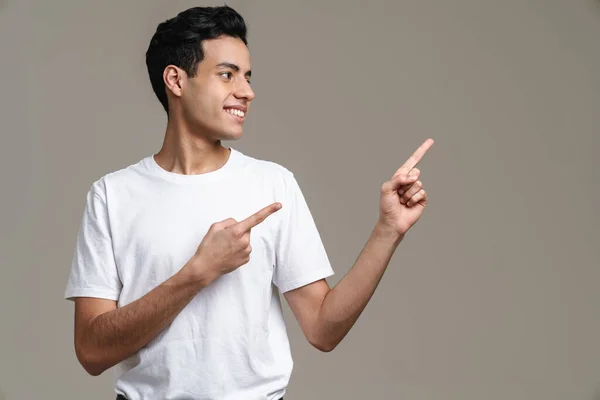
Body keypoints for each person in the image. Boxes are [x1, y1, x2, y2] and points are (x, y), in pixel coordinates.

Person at [63, 5, 433, 400]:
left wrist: (387, 231)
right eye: (227, 75)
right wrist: (197, 273)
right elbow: (91, 351)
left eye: (248, 76)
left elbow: (323, 329)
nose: (247, 91)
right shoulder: (112, 195)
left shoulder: (273, 184)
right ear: (176, 80)